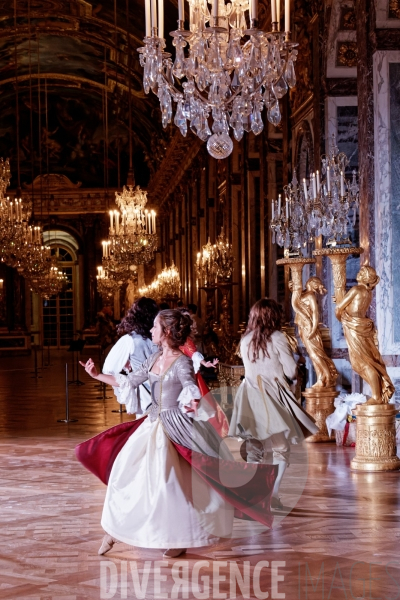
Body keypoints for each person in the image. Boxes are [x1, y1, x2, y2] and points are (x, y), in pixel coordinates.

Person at [77, 309, 278, 558]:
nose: (150, 331)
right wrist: (96, 375)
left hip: (175, 425)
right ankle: (115, 530)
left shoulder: (182, 361)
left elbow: (191, 387)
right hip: (151, 423)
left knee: (169, 487)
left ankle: (178, 538)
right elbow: (128, 381)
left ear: (167, 332)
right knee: (126, 477)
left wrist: (193, 402)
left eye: (155, 327)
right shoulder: (152, 359)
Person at [229, 298, 318, 510]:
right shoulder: (277, 337)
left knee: (254, 449)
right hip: (272, 397)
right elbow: (290, 371)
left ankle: (255, 494)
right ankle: (273, 494)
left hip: (250, 396)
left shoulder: (245, 339)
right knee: (280, 447)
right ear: (274, 316)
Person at [335, 265, 394, 404]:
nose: (359, 273)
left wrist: (343, 319)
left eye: (362, 272)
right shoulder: (368, 292)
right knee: (364, 362)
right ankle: (378, 391)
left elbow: (339, 308)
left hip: (354, 327)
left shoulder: (356, 289)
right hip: (361, 325)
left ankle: (377, 396)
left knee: (363, 363)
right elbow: (354, 307)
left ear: (366, 277)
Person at [177, 307, 229, 437]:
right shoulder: (180, 339)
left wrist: (205, 363)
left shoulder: (182, 339)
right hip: (183, 375)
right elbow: (192, 353)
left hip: (186, 375)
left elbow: (193, 353)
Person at [102, 297, 159, 414]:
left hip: (145, 394)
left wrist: (127, 367)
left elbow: (109, 368)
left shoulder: (130, 340)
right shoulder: (162, 336)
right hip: (166, 392)